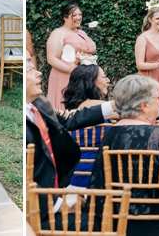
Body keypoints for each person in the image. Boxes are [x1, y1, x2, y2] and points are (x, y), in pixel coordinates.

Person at [86, 75, 159, 235]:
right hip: (155, 222)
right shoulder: (158, 135)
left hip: (112, 221)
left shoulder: (110, 134)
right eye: (158, 97)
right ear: (144, 106)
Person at [25, 51, 116, 228]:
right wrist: (59, 204)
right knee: (102, 223)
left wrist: (115, 105)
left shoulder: (39, 104)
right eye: (30, 68)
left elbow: (69, 119)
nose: (39, 73)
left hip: (60, 189)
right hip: (39, 209)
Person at [62, 62, 116, 188]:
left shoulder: (73, 109)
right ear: (90, 82)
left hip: (74, 172)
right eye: (104, 77)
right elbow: (130, 112)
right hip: (95, 174)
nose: (108, 80)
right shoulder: (97, 107)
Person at [46, 3, 97, 107]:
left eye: (80, 14)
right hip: (67, 76)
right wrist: (75, 71)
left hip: (85, 76)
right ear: (65, 17)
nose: (78, 18)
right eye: (74, 15)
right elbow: (51, 59)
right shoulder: (58, 33)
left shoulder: (82, 33)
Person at [135, 6, 159, 96]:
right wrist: (156, 65)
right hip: (148, 80)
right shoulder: (142, 38)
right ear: (150, 19)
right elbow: (139, 65)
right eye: (157, 18)